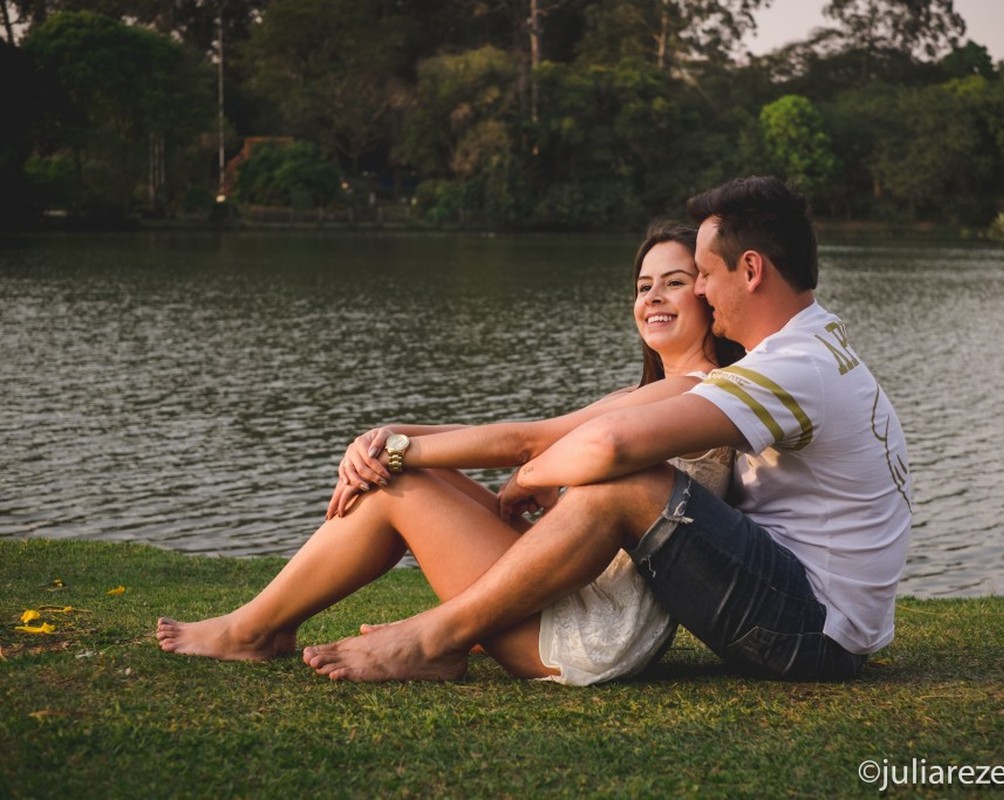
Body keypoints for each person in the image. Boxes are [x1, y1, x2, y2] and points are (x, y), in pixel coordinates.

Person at [299, 175, 912, 683]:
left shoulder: (793, 366)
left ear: (750, 269)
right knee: (621, 475)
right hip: (818, 617)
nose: (697, 288)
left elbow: (610, 445)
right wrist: (405, 441)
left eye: (700, 273)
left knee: (631, 480)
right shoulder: (811, 346)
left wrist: (531, 475)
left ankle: (433, 638)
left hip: (812, 632)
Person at [157, 222, 742, 685]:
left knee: (398, 483)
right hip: (559, 594)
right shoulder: (645, 395)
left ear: (708, 294)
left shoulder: (696, 391)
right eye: (644, 287)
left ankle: (254, 631)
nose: (654, 297)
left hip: (591, 634)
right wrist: (389, 434)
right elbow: (519, 436)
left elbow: (527, 443)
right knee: (404, 471)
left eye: (674, 281)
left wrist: (397, 453)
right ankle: (265, 627)